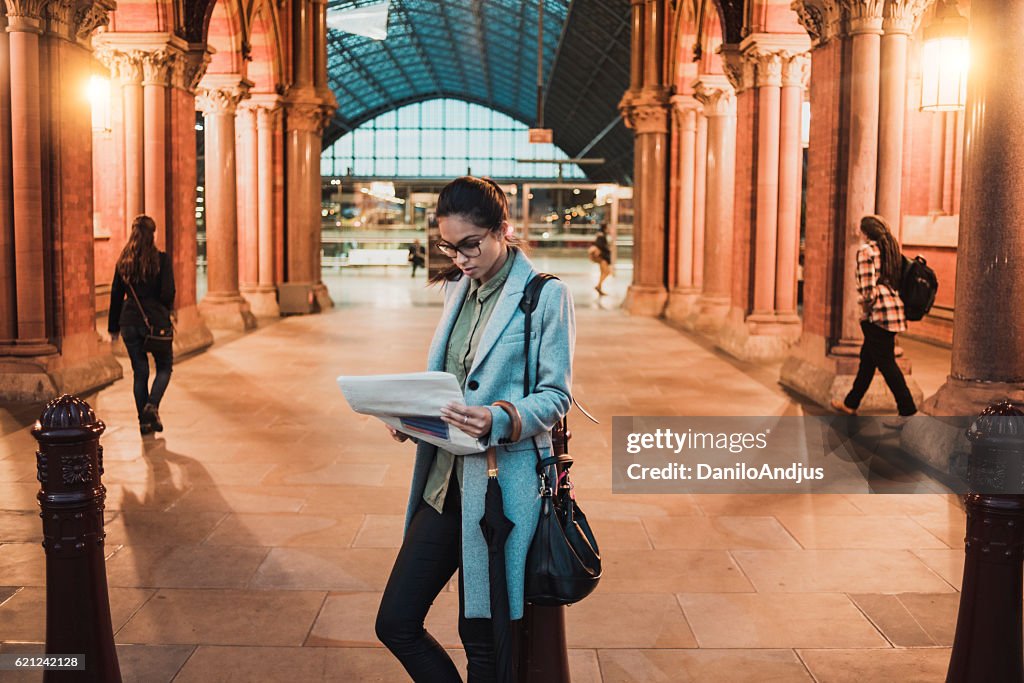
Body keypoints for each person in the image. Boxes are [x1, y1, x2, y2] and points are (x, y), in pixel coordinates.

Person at [375, 176, 575, 682]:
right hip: (443, 485)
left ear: (502, 229)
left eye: (471, 244)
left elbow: (557, 395)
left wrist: (502, 417)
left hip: (498, 492)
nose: (461, 258)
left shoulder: (546, 297)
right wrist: (412, 417)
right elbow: (452, 380)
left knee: (483, 641)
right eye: (450, 245)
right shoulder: (457, 291)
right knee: (396, 621)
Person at [831, 214, 917, 426]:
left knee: (886, 363)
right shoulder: (889, 250)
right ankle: (851, 403)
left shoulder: (866, 251)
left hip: (877, 314)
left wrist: (865, 308)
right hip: (893, 310)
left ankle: (908, 411)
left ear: (865, 232)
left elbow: (868, 290)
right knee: (867, 361)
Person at [108, 215, 176, 435]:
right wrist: (165, 310)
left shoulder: (123, 261)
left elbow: (116, 295)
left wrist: (113, 328)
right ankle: (152, 406)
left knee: (140, 371)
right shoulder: (162, 260)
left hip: (128, 321)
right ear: (152, 235)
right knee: (164, 366)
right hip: (154, 322)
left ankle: (144, 423)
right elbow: (168, 293)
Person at [589, 225, 612, 295]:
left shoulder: (600, 235)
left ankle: (599, 287)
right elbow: (601, 246)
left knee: (603, 272)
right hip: (602, 257)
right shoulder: (602, 236)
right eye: (608, 228)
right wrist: (608, 250)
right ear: (605, 228)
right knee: (607, 272)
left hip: (602, 257)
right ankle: (598, 286)